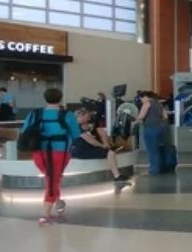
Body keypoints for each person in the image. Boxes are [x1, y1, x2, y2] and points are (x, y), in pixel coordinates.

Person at [21, 88, 80, 225]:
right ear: (60, 98)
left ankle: (58, 202)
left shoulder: (34, 114)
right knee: (52, 180)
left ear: (45, 98)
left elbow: (24, 131)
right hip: (61, 152)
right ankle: (45, 215)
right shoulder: (68, 115)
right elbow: (76, 135)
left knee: (52, 178)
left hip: (38, 152)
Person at [72, 108, 128, 181]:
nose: (89, 118)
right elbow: (89, 139)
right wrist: (102, 146)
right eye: (87, 116)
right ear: (80, 116)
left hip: (89, 148)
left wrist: (106, 143)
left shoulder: (89, 126)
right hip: (81, 150)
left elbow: (101, 132)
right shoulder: (75, 126)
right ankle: (117, 176)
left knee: (103, 137)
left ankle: (117, 175)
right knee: (110, 153)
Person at [136, 91, 168, 175]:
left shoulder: (147, 104)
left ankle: (154, 170)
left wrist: (136, 120)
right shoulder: (159, 104)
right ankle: (160, 167)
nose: (141, 101)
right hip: (160, 128)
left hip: (150, 128)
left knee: (152, 150)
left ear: (145, 97)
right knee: (158, 149)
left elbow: (141, 116)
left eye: (141, 99)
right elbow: (165, 116)